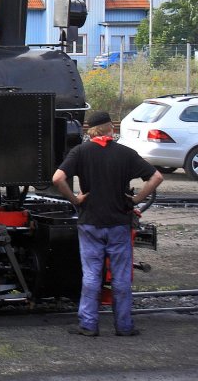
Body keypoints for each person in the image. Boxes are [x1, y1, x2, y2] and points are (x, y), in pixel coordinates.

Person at [52, 111, 162, 337]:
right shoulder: (126, 154)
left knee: (92, 274)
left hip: (90, 222)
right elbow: (157, 177)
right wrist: (137, 200)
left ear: (90, 130)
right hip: (119, 222)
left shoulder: (80, 152)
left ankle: (89, 325)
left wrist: (75, 199)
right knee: (121, 276)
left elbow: (57, 179)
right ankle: (124, 326)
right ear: (111, 128)